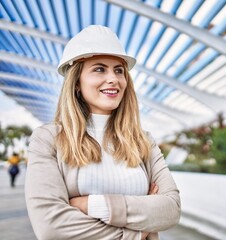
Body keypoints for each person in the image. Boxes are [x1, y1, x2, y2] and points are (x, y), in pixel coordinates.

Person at [25, 25, 181, 240]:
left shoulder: (143, 141)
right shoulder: (48, 139)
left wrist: (91, 205)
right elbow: (51, 227)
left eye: (119, 70)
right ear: (77, 83)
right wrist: (138, 232)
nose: (113, 79)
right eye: (99, 69)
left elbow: (170, 210)